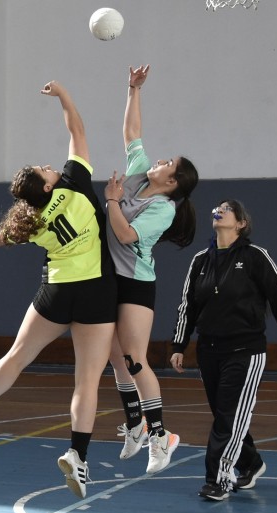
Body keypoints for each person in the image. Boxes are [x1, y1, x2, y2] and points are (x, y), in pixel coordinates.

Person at [0, 80, 116, 499]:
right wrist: (65, 97)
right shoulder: (74, 183)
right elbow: (77, 131)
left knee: (18, 354)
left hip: (56, 292)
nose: (50, 166)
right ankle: (78, 455)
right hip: (95, 291)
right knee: (87, 380)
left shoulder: (30, 219)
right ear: (46, 186)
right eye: (44, 169)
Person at [169, 199, 277, 501]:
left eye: (227, 208)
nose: (219, 210)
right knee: (223, 415)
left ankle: (218, 479)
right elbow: (187, 307)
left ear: (241, 223)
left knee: (228, 419)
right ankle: (251, 463)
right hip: (209, 350)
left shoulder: (256, 257)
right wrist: (180, 344)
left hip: (245, 350)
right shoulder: (201, 260)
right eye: (216, 207)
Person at [104, 64, 199, 474]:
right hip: (110, 278)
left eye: (168, 162)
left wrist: (111, 200)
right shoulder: (140, 173)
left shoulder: (162, 208)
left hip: (136, 284)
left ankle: (162, 436)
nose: (159, 159)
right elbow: (132, 133)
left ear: (173, 181)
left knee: (136, 359)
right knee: (114, 357)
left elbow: (125, 236)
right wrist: (133, 89)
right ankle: (135, 424)